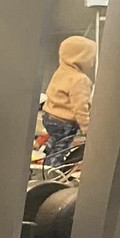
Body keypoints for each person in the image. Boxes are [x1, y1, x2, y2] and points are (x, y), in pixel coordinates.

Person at [41, 35, 95, 169]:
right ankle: (51, 171)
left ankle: (46, 161)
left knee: (54, 143)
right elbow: (80, 108)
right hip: (65, 123)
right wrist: (87, 128)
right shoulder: (80, 80)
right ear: (81, 57)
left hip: (49, 117)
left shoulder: (61, 72)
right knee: (61, 150)